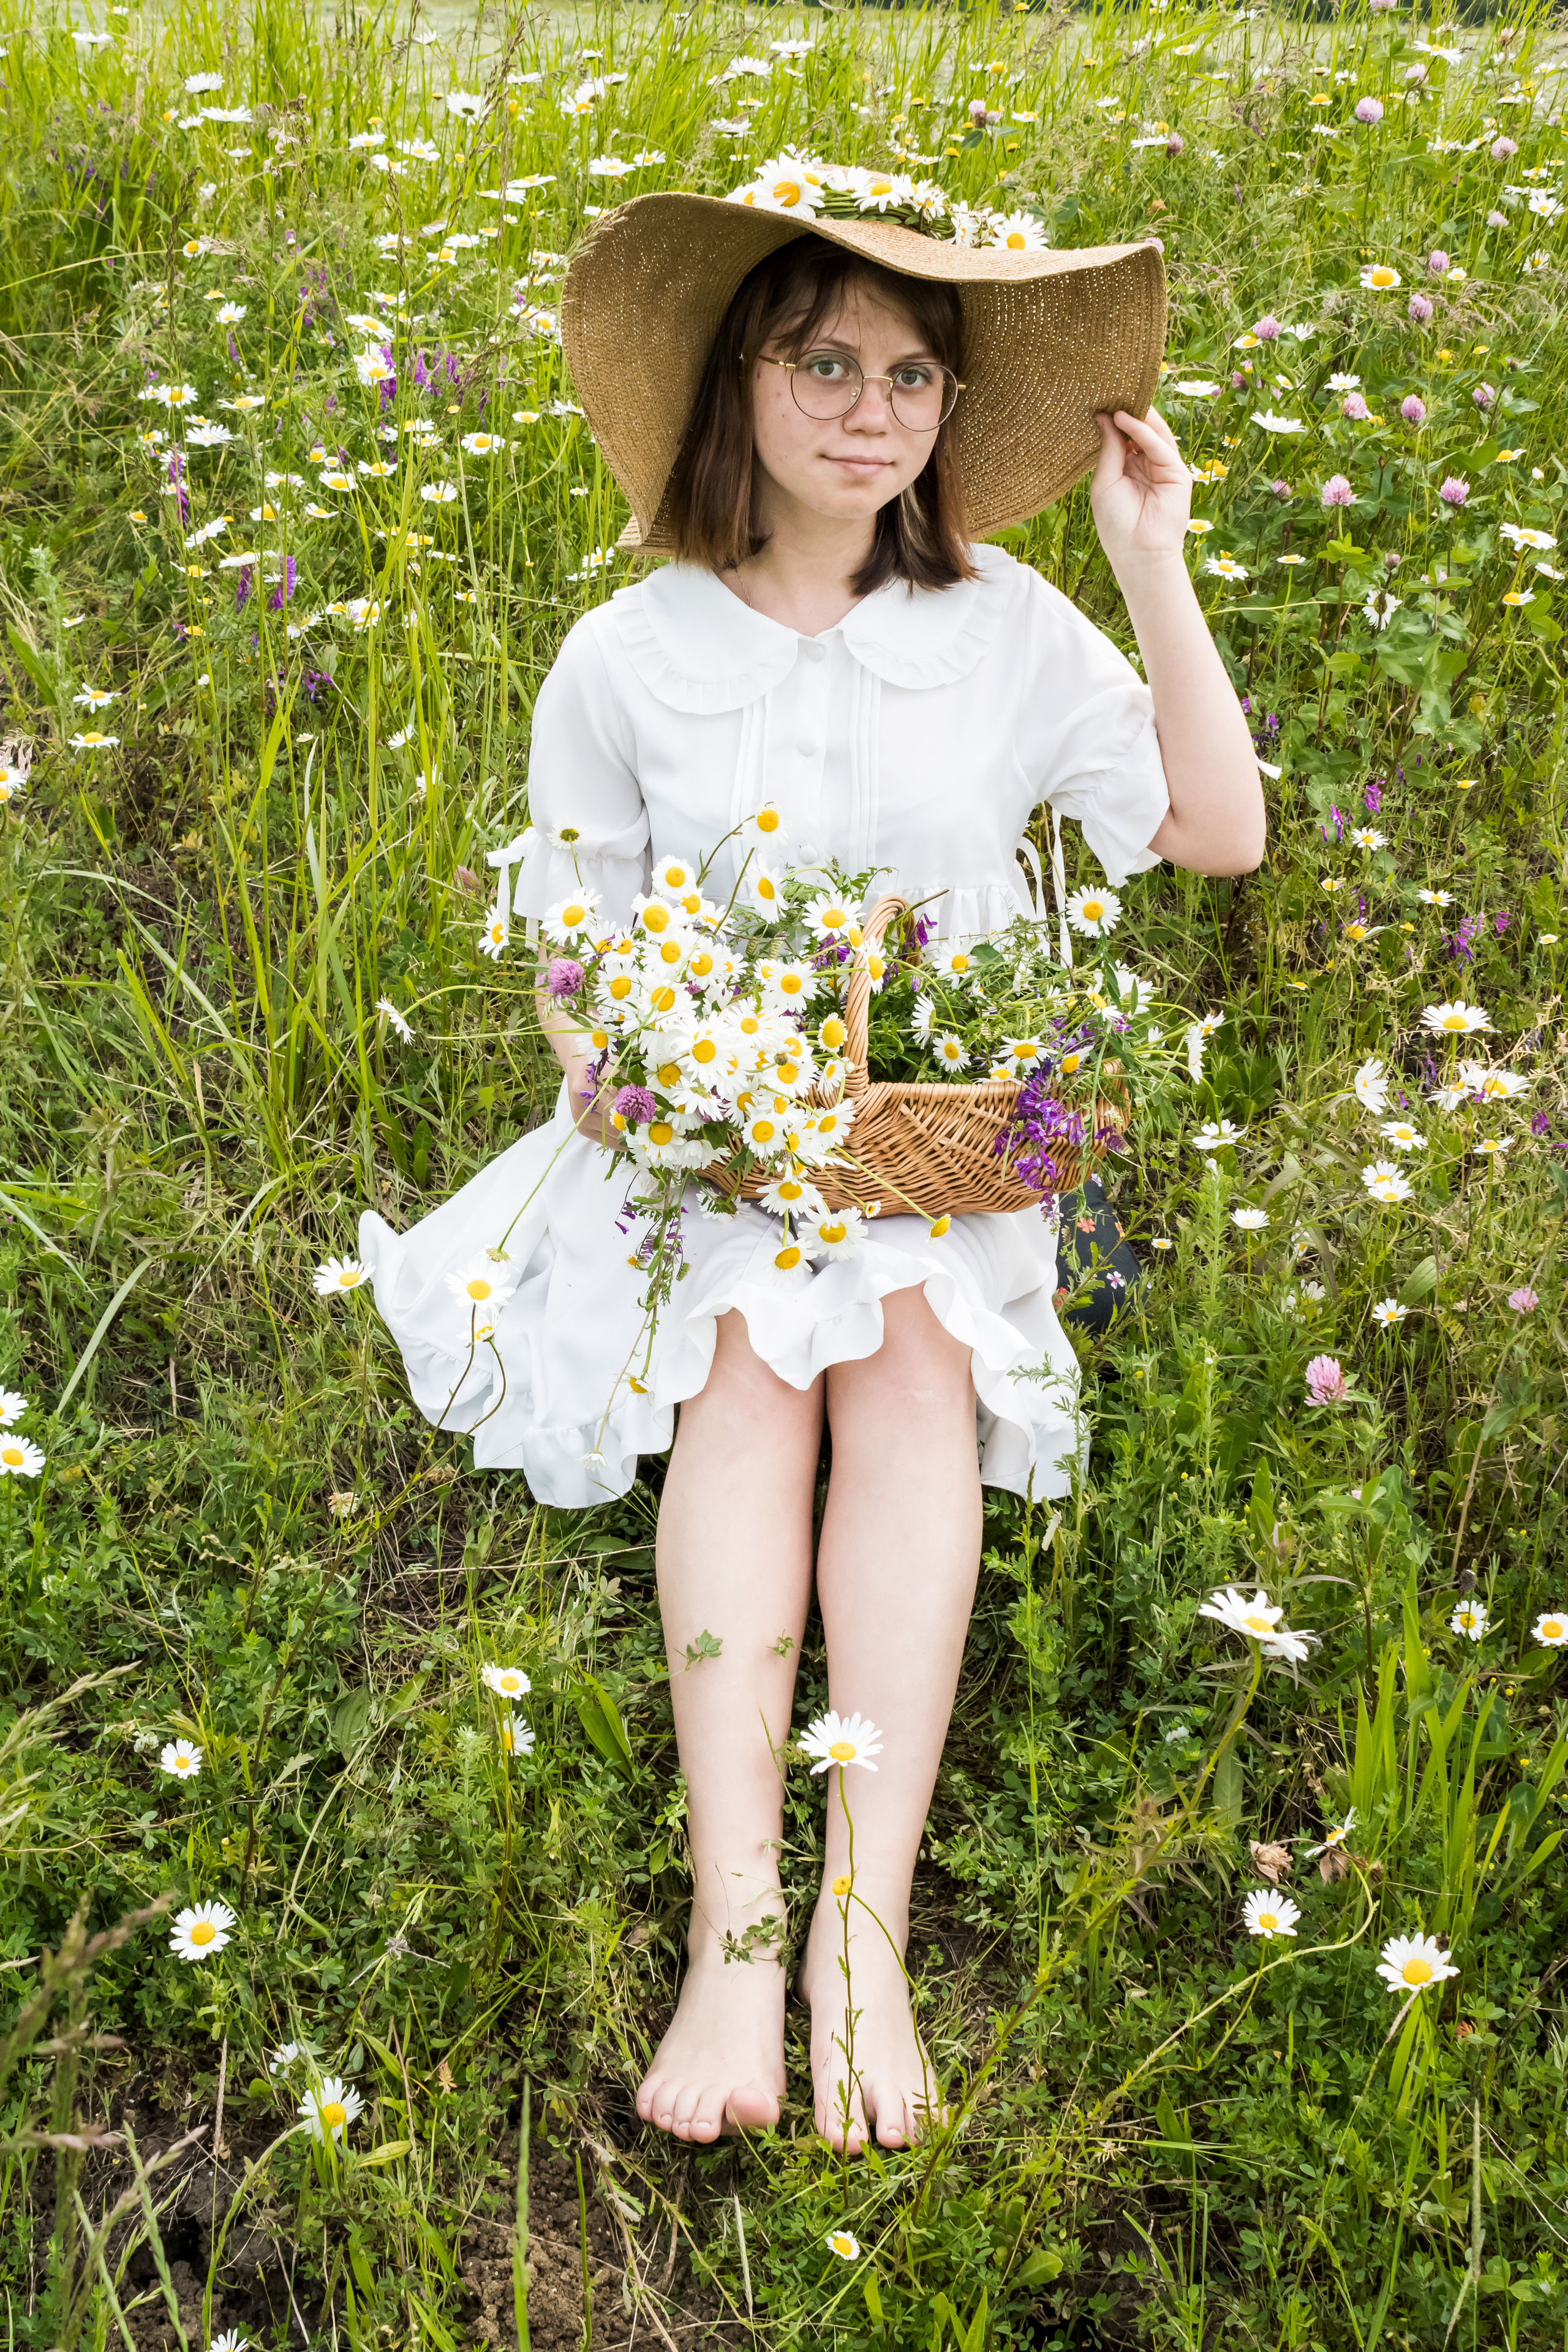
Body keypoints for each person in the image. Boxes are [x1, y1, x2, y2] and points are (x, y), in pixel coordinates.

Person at [360, 179, 1264, 2157]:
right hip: (713, 1144)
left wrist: (1150, 560)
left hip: (935, 1150)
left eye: (913, 374)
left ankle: (863, 1934)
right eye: (826, 361)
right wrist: (606, 1070)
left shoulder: (1000, 626)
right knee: (753, 1394)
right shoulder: (624, 650)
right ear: (737, 384)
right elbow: (579, 940)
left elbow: (1217, 831)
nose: (872, 410)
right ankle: (737, 1930)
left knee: (915, 1368)